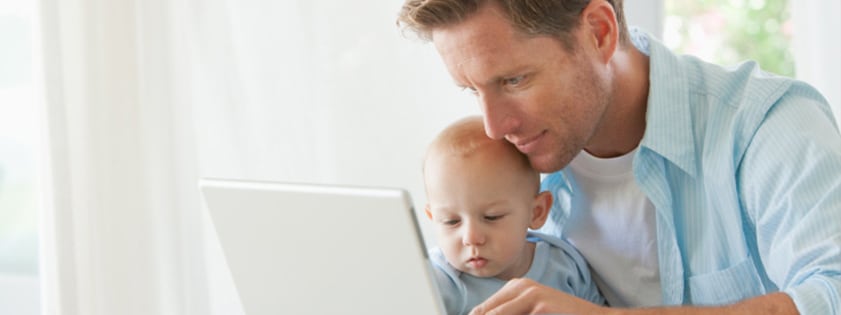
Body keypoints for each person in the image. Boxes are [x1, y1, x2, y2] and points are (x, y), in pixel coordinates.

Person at [397, 0, 841, 314]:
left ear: (598, 33)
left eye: (514, 80)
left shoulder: (769, 127)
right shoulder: (504, 169)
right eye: (473, 91)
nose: (495, 127)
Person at [422, 115, 604, 315]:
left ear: (537, 212)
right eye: (451, 221)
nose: (471, 238)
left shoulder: (563, 264)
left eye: (492, 217)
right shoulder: (438, 281)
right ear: (432, 218)